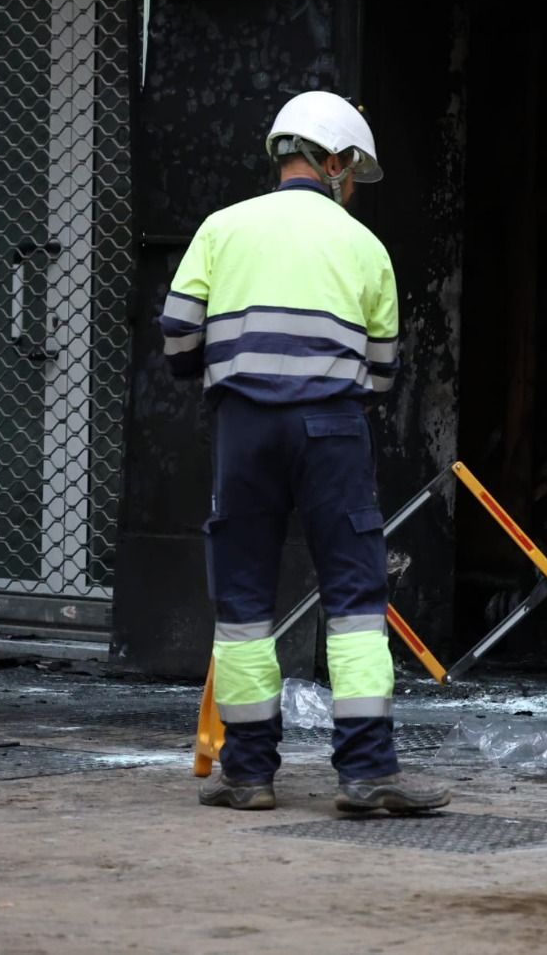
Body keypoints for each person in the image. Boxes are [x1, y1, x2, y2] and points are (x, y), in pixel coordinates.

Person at [162, 91, 450, 813]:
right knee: (354, 601)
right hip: (331, 428)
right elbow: (383, 369)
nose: (350, 185)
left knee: (244, 605)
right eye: (351, 170)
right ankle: (366, 775)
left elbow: (176, 338)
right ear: (334, 162)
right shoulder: (362, 244)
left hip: (243, 429)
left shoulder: (221, 228)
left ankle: (249, 774)